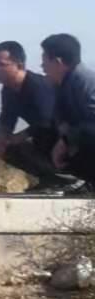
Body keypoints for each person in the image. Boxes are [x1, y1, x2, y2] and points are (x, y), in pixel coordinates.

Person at [0, 40, 60, 188]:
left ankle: (68, 180)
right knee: (9, 149)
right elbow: (7, 116)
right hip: (42, 137)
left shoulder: (38, 86)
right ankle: (50, 180)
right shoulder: (8, 90)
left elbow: (47, 121)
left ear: (19, 65)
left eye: (1, 65)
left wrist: (19, 137)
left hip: (62, 136)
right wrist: (1, 137)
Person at [42, 34, 95, 188]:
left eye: (45, 61)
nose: (42, 67)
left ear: (58, 62)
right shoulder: (62, 85)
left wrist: (66, 140)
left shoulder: (85, 82)